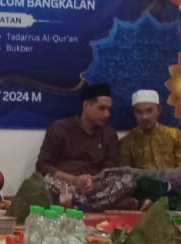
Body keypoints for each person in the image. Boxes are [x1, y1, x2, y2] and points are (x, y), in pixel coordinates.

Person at [35, 82, 137, 211]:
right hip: (66, 184)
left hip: (94, 186)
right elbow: (43, 165)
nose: (107, 114)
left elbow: (109, 169)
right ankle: (95, 205)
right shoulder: (60, 128)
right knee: (46, 181)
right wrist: (74, 179)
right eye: (102, 108)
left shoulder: (109, 134)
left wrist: (92, 180)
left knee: (128, 179)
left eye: (109, 109)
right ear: (86, 105)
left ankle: (79, 205)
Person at [117, 89, 181, 170]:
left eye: (149, 110)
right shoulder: (126, 142)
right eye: (139, 112)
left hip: (173, 179)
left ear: (158, 110)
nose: (145, 117)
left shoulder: (175, 136)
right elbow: (124, 174)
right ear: (134, 113)